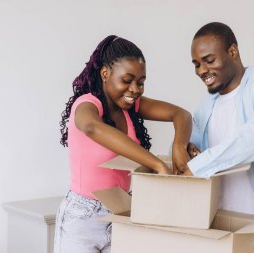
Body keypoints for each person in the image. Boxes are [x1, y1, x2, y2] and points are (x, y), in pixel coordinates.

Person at [54, 35, 192, 253]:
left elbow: (181, 115)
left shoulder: (131, 107)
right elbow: (92, 127)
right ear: (105, 73)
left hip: (121, 212)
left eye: (141, 82)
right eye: (127, 80)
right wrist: (157, 164)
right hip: (82, 218)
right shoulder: (87, 105)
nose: (135, 89)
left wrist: (179, 146)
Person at [179, 22, 254, 253]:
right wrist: (187, 150)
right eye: (196, 64)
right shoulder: (205, 108)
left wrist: (203, 163)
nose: (201, 70)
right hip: (221, 236)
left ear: (232, 52)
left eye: (209, 60)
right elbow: (188, 159)